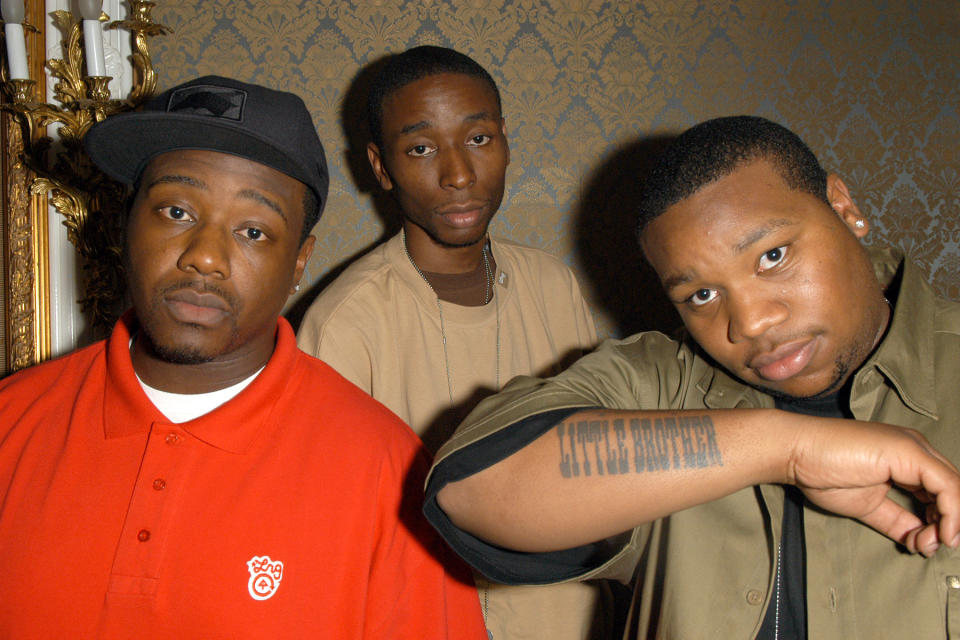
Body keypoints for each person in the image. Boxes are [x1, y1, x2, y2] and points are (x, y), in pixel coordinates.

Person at [424, 115, 960, 639]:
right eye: (701, 295)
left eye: (772, 256)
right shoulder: (658, 386)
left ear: (843, 208)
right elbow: (470, 490)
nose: (750, 323)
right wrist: (785, 449)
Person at [0, 75, 486, 639]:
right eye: (176, 212)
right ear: (125, 223)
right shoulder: (12, 424)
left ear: (300, 260)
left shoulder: (390, 474)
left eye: (254, 230)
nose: (205, 257)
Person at [297, 47, 609, 639]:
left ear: (506, 142)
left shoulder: (553, 285)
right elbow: (327, 536)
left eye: (479, 139)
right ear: (380, 166)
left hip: (566, 619)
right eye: (420, 149)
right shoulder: (345, 322)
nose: (459, 174)